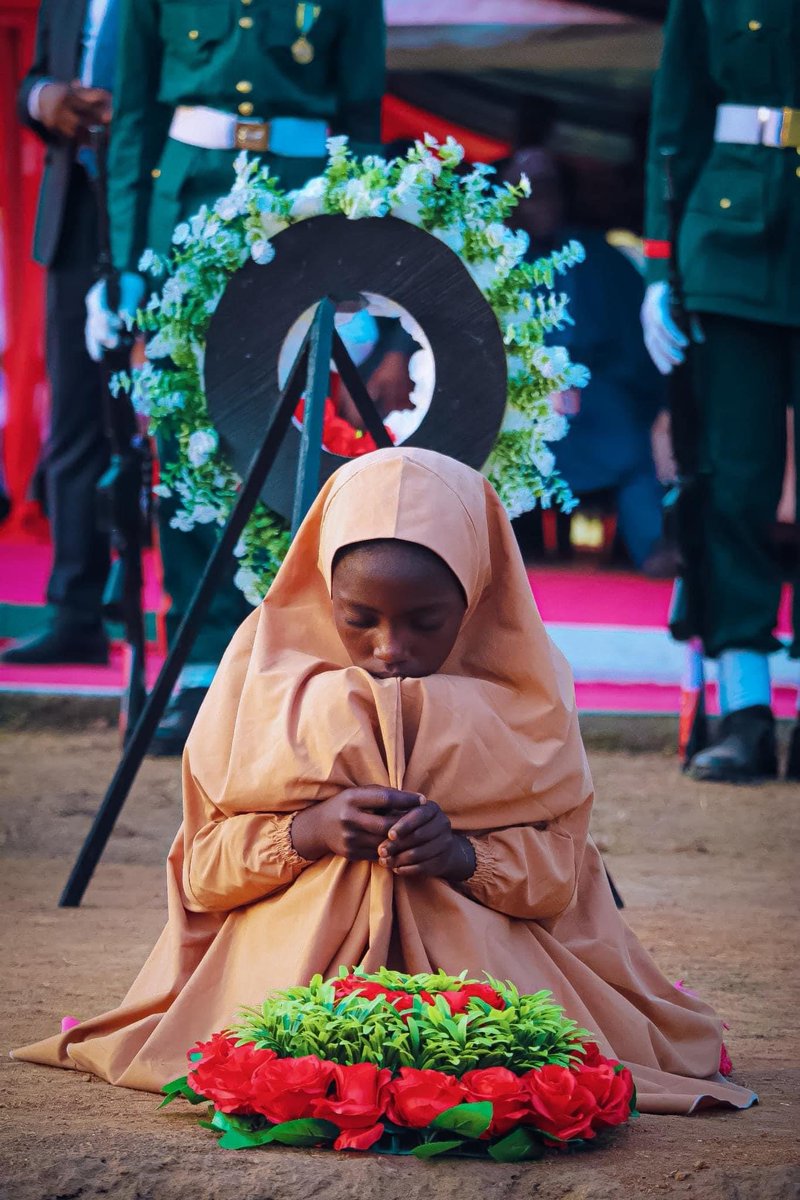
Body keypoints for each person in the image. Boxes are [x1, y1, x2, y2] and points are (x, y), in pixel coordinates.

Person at [13, 447, 754, 1115]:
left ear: (477, 596)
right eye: (358, 618)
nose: (389, 650)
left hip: (487, 996)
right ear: (320, 589)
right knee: (279, 1068)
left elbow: (561, 881)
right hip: (281, 992)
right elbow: (203, 874)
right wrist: (303, 833)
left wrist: (466, 858)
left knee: (501, 1069)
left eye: (427, 621)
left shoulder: (531, 696)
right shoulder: (261, 684)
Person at [84, 0, 388, 754]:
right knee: (188, 451)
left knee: (286, 449)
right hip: (186, 208)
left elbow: (360, 118)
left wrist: (357, 266)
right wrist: (122, 263)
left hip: (299, 204)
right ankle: (202, 672)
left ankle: (287, 667)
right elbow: (134, 124)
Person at [641, 0, 800, 781]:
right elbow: (677, 115)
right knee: (733, 484)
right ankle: (746, 713)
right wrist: (658, 262)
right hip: (731, 240)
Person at [1, 0, 119, 667]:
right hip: (74, 214)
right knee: (75, 424)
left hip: (160, 205)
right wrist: (45, 97)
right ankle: (75, 614)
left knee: (177, 423)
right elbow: (33, 82)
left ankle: (203, 619)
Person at [504, 148, 672, 576]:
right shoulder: (488, 255)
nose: (543, 201)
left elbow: (637, 345)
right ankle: (497, 559)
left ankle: (652, 547)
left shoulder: (596, 253)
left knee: (631, 445)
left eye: (551, 190)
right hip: (511, 398)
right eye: (530, 191)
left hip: (594, 394)